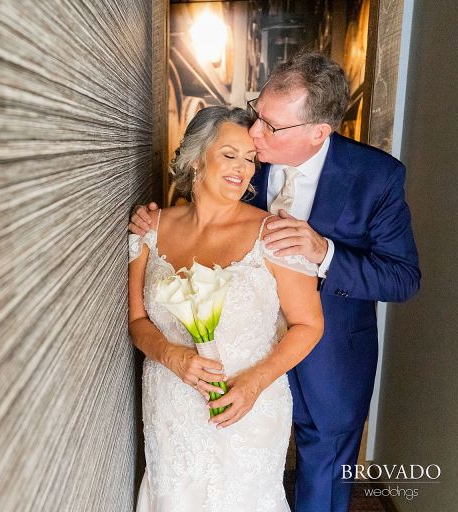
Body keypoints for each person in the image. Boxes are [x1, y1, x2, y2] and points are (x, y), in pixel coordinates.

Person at [130, 52, 420, 512]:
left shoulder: (377, 176)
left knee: (321, 482)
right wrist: (153, 221)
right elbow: (203, 205)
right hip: (229, 354)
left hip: (330, 356)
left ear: (317, 133)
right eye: (256, 112)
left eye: (271, 126)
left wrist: (325, 253)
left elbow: (403, 279)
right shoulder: (247, 155)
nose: (255, 132)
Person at [129, 105, 324, 511]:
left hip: (249, 407)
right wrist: (171, 355)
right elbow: (138, 321)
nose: (244, 169)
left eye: (251, 159)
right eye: (230, 155)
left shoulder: (275, 235)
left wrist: (254, 383)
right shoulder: (150, 230)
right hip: (172, 407)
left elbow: (308, 325)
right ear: (197, 157)